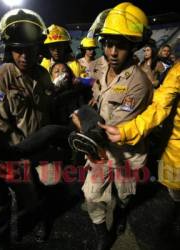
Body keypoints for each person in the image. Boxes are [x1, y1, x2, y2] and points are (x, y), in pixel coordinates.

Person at [72, 3, 153, 249]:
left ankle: (121, 214)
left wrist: (81, 120)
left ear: (133, 47)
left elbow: (110, 128)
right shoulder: (100, 64)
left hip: (126, 153)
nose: (113, 51)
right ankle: (101, 234)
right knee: (92, 195)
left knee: (125, 194)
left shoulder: (138, 83)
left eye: (121, 45)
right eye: (108, 44)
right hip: (100, 152)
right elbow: (93, 86)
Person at [0, 8, 54, 249]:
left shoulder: (43, 74)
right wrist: (12, 139)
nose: (24, 56)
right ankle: (19, 228)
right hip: (16, 151)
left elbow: (48, 107)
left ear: (38, 49)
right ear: (11, 50)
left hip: (42, 147)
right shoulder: (2, 76)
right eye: (19, 50)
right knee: (23, 193)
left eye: (30, 50)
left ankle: (41, 220)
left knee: (46, 187)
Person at [99, 62, 180, 242]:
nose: (113, 52)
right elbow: (159, 106)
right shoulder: (178, 72)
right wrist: (127, 131)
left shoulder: (139, 80)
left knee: (124, 190)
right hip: (176, 152)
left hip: (133, 153)